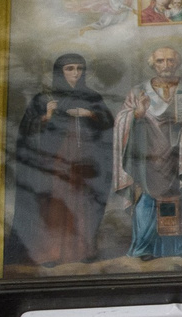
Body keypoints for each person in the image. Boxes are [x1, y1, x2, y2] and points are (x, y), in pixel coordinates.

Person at [112, 44, 182, 258]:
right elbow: (122, 121)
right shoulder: (138, 91)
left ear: (177, 63)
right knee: (146, 200)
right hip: (149, 157)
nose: (166, 65)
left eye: (170, 60)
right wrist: (137, 114)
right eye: (160, 61)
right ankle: (147, 247)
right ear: (153, 64)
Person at [11, 54, 114, 266]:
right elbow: (27, 132)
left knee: (84, 203)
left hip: (86, 159)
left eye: (79, 68)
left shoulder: (92, 98)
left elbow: (108, 125)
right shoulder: (44, 99)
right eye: (70, 69)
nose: (75, 73)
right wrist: (47, 116)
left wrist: (89, 114)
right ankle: (52, 252)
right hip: (55, 160)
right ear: (60, 72)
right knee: (56, 202)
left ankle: (82, 251)